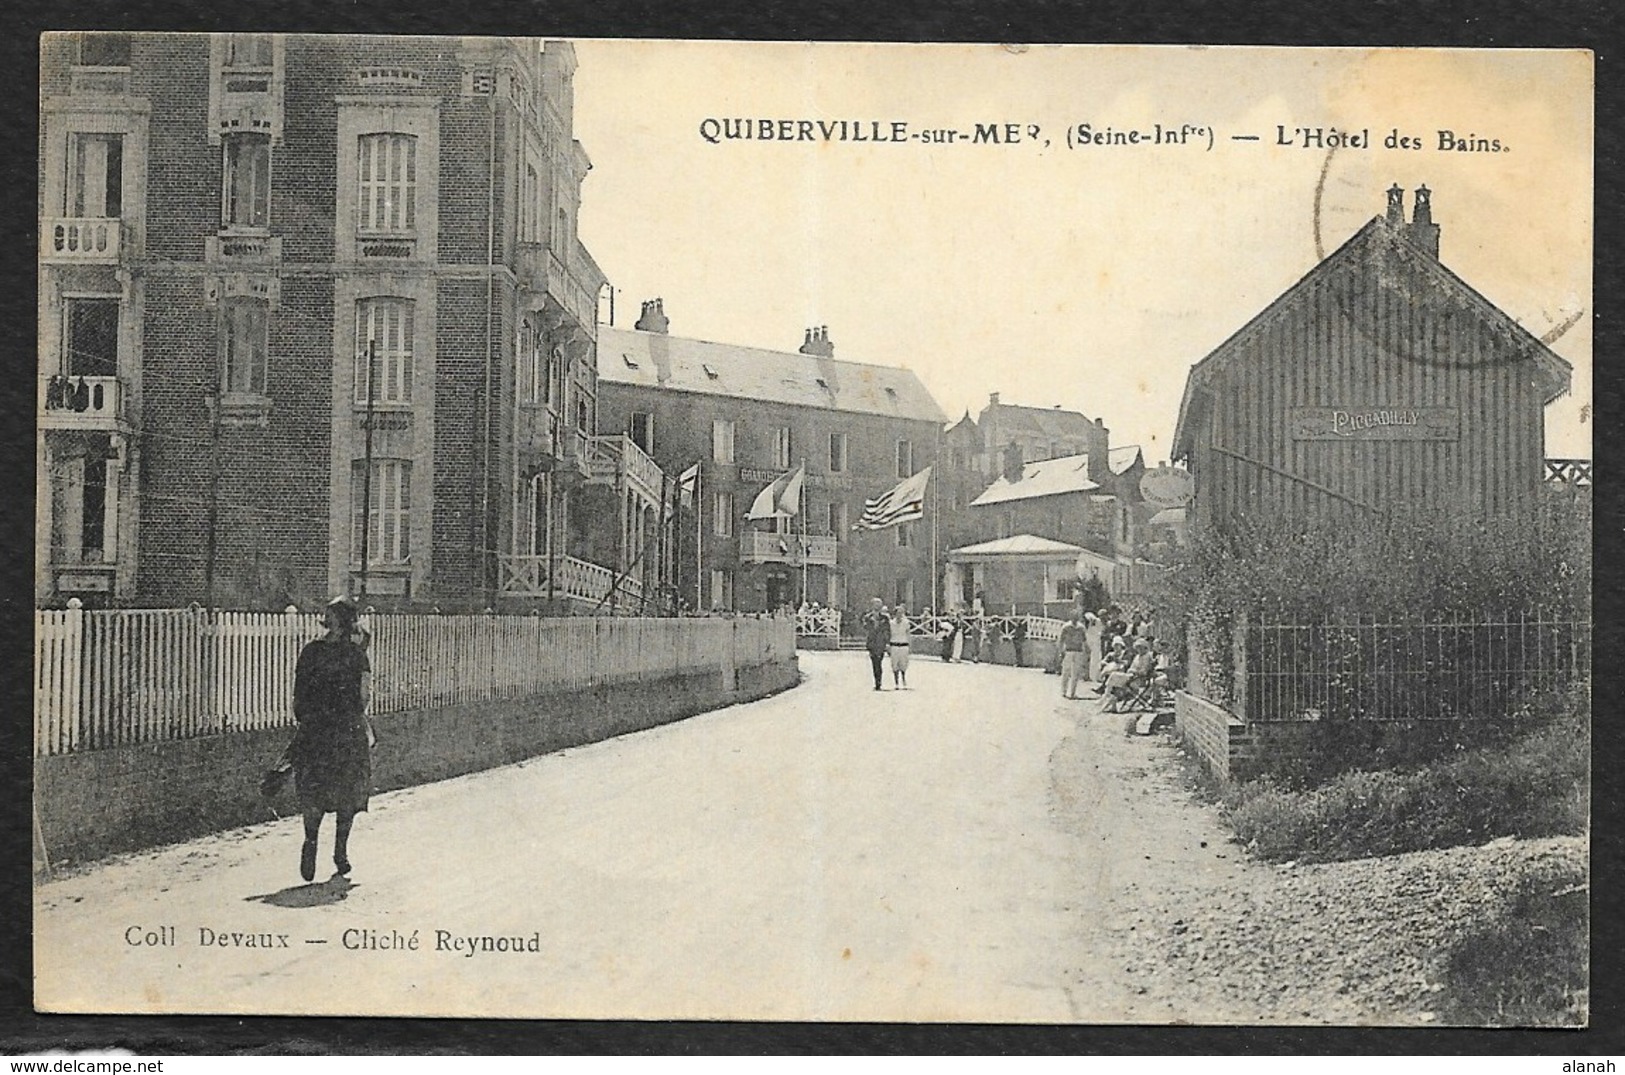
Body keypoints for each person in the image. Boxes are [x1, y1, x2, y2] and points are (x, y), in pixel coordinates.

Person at [291, 595, 373, 882]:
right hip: (347, 731)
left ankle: (311, 841)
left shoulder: (311, 651)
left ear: (329, 622)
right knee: (347, 791)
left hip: (316, 730)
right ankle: (340, 853)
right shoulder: (356, 655)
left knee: (314, 788)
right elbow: (364, 696)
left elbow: (298, 692)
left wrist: (306, 721)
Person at [1058, 610, 1088, 699]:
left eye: (1076, 616)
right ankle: (1063, 691)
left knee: (1076, 672)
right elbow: (1061, 640)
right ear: (1070, 617)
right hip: (1068, 651)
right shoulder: (1066, 627)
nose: (1075, 618)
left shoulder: (1081, 628)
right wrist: (1061, 651)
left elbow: (1084, 640)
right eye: (1073, 616)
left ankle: (1073, 693)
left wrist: (1086, 650)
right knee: (1066, 671)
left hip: (1078, 651)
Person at [861, 598, 890, 691]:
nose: (877, 606)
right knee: (875, 663)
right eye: (875, 604)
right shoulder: (868, 617)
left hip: (881, 643)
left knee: (879, 662)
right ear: (872, 605)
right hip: (872, 643)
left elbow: (887, 630)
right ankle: (877, 682)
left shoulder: (885, 618)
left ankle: (879, 681)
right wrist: (873, 622)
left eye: (879, 604)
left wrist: (887, 643)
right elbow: (865, 627)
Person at [888, 604, 912, 689]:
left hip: (903, 645)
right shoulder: (891, 623)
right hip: (894, 645)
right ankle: (896, 682)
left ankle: (904, 681)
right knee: (895, 664)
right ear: (894, 614)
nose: (899, 615)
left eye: (901, 613)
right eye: (898, 613)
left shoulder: (906, 623)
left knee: (903, 664)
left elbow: (908, 634)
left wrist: (910, 645)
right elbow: (889, 634)